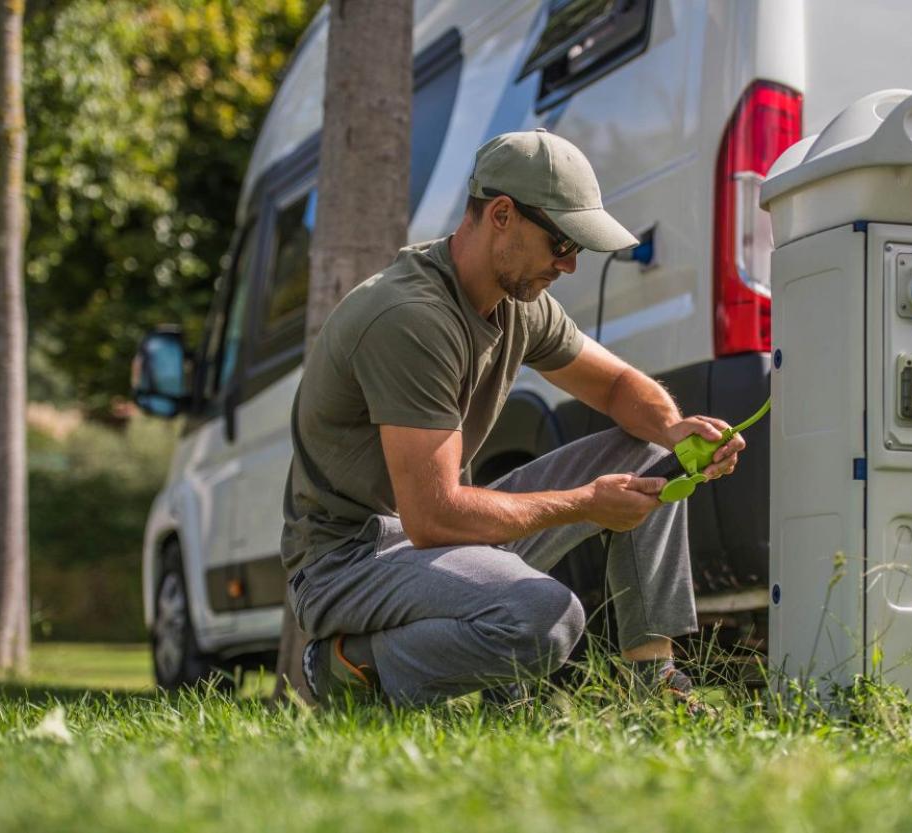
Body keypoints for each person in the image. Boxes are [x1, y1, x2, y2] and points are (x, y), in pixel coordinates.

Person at [281, 129, 744, 708]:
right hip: (347, 562)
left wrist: (675, 428)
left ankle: (653, 693)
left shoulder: (518, 304)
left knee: (649, 452)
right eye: (562, 242)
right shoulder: (412, 318)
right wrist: (585, 503)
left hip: (428, 544)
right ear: (502, 214)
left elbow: (619, 385)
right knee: (547, 617)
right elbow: (433, 516)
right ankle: (347, 667)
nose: (570, 265)